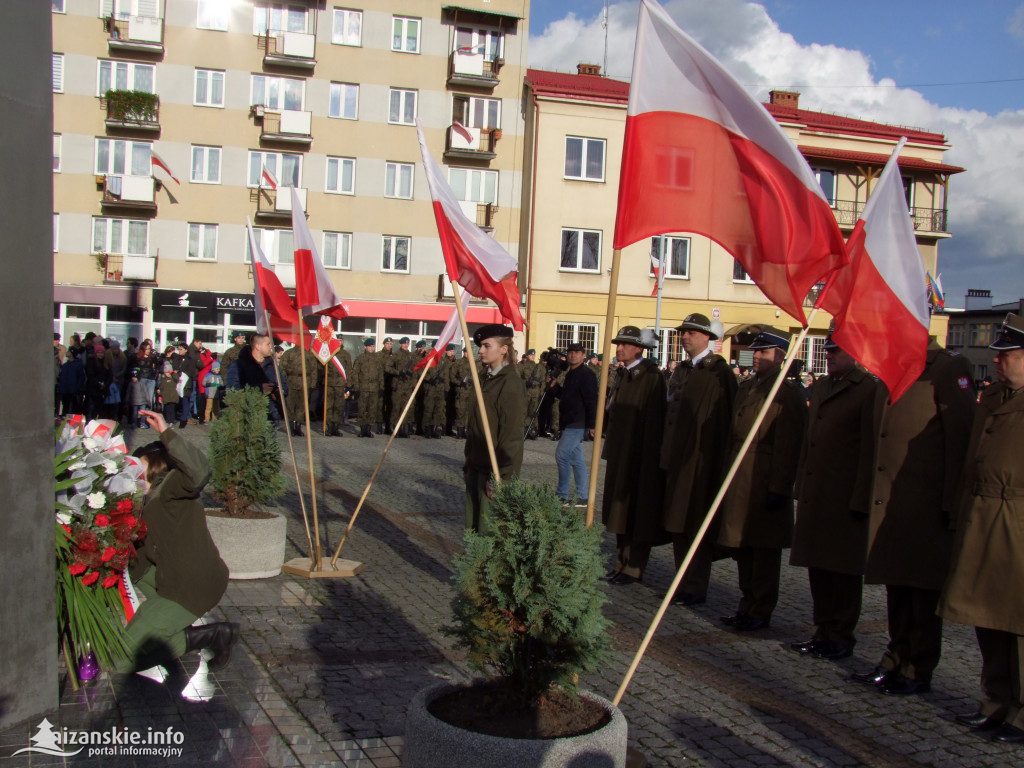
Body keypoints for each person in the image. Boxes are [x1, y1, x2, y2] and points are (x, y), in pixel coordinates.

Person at [851, 340, 975, 695]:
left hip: (927, 503)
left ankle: (918, 667)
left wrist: (952, 506)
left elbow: (960, 438)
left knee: (922, 592)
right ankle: (895, 657)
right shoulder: (889, 368)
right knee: (897, 586)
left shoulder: (948, 368)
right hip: (891, 501)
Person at [939, 313, 1024, 743]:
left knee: (1019, 623)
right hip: (984, 514)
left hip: (1018, 523)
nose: (1000, 362)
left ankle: (1021, 713)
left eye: (1008, 355)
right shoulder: (991, 398)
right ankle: (994, 702)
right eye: (999, 355)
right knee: (987, 620)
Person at [117, 409, 236, 674]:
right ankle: (173, 627)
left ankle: (206, 637)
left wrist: (166, 433)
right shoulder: (145, 501)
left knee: (120, 658)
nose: (133, 474)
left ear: (157, 468)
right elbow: (141, 557)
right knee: (130, 579)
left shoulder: (170, 491)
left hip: (193, 584)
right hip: (173, 575)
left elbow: (199, 470)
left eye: (140, 468)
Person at [789, 334, 880, 660]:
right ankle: (822, 630)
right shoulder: (824, 386)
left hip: (844, 496)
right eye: (827, 350)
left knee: (842, 572)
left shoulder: (867, 389)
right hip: (819, 493)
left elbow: (870, 450)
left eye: (835, 351)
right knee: (819, 568)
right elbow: (808, 442)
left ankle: (840, 636)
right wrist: (801, 484)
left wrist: (860, 499)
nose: (829, 356)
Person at [717, 328, 805, 628]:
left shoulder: (785, 392)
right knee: (741, 545)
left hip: (764, 475)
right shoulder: (749, 386)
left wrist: (780, 486)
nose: (755, 356)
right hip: (740, 472)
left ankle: (760, 608)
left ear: (780, 357)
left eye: (763, 352)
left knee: (763, 549)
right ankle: (746, 603)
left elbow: (789, 444)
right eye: (755, 351)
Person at [660, 313, 738, 607]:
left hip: (701, 463)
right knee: (677, 523)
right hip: (676, 461)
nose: (685, 337)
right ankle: (682, 581)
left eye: (691, 333)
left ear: (707, 337)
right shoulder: (681, 370)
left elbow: (727, 422)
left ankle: (695, 586)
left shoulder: (719, 373)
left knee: (696, 525)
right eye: (683, 332)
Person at [602, 326, 666, 585]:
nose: (619, 349)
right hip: (620, 451)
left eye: (626, 345)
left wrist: (649, 458)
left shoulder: (650, 377)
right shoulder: (623, 374)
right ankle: (621, 561)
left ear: (639, 348)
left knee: (637, 512)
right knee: (618, 510)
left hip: (640, 454)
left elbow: (655, 419)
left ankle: (634, 566)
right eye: (618, 344)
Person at [463, 324, 526, 534]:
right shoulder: (484, 378)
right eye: (480, 346)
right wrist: (468, 462)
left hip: (496, 471)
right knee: (472, 528)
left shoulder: (510, 382)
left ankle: (487, 568)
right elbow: (476, 425)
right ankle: (473, 567)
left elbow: (512, 435)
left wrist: (502, 475)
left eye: (485, 345)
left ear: (503, 349)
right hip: (477, 464)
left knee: (490, 532)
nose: (480, 351)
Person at [549, 342, 598, 506]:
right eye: (570, 352)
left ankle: (562, 494)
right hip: (568, 420)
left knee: (561, 455)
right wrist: (555, 387)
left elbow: (592, 400)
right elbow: (566, 396)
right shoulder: (571, 373)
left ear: (584, 355)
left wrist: (593, 424)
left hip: (578, 421)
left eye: (577, 352)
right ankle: (582, 496)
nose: (573, 355)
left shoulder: (586, 374)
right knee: (576, 459)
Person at [236, 333, 283, 421]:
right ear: (258, 346)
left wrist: (279, 391)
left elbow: (283, 383)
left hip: (270, 411)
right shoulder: (241, 365)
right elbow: (234, 388)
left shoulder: (272, 365)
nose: (271, 347)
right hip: (248, 411)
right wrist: (260, 388)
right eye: (268, 344)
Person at [350, 338, 384, 437]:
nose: (371, 348)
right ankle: (362, 429)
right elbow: (355, 374)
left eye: (373, 346)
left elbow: (380, 374)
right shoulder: (360, 358)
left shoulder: (377, 359)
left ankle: (368, 430)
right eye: (369, 346)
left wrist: (381, 387)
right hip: (363, 387)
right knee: (362, 409)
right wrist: (356, 387)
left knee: (372, 410)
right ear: (365, 347)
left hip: (374, 388)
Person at [519, 349, 544, 439]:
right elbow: (518, 378)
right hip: (526, 391)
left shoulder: (539, 367)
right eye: (530, 355)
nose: (532, 356)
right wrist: (525, 382)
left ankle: (533, 430)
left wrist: (541, 391)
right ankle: (525, 429)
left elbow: (543, 380)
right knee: (524, 411)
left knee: (534, 411)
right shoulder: (522, 366)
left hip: (536, 391)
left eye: (533, 355)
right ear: (527, 356)